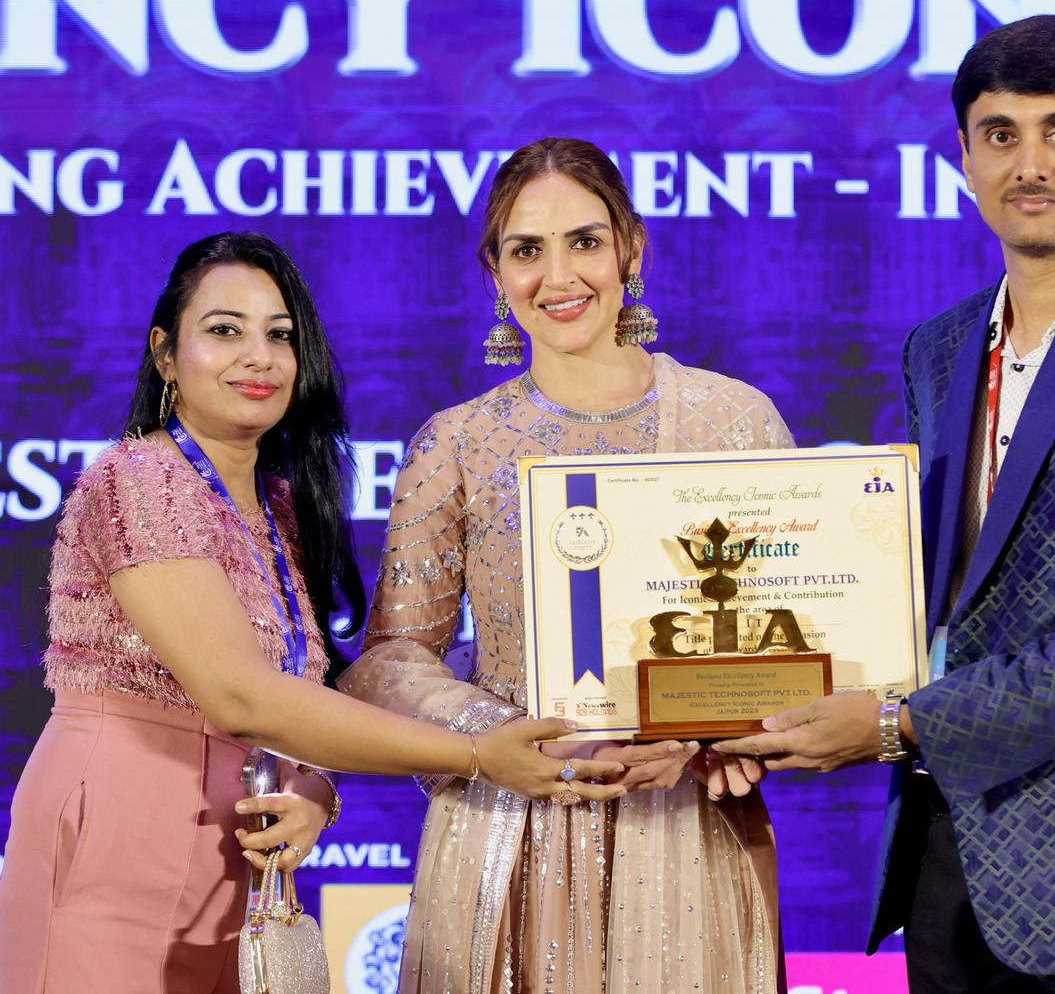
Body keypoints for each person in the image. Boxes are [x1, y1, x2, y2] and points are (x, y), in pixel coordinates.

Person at [716, 16, 1055, 991]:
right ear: (964, 161)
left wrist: (899, 723)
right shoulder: (937, 347)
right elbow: (934, 592)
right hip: (948, 853)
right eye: (1000, 134)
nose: (1029, 164)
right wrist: (745, 698)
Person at [0, 231, 623, 994]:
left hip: (239, 860)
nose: (258, 357)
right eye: (224, 330)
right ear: (165, 354)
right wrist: (474, 754)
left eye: (280, 335)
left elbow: (302, 688)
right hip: (118, 834)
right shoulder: (137, 482)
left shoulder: (283, 506)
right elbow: (242, 697)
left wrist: (314, 792)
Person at [340, 138, 792, 993]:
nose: (558, 276)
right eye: (526, 250)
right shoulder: (457, 442)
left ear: (631, 248)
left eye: (585, 241)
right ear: (495, 273)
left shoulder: (734, 423)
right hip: (509, 829)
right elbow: (391, 661)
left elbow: (789, 649)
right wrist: (500, 736)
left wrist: (707, 738)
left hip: (683, 827)